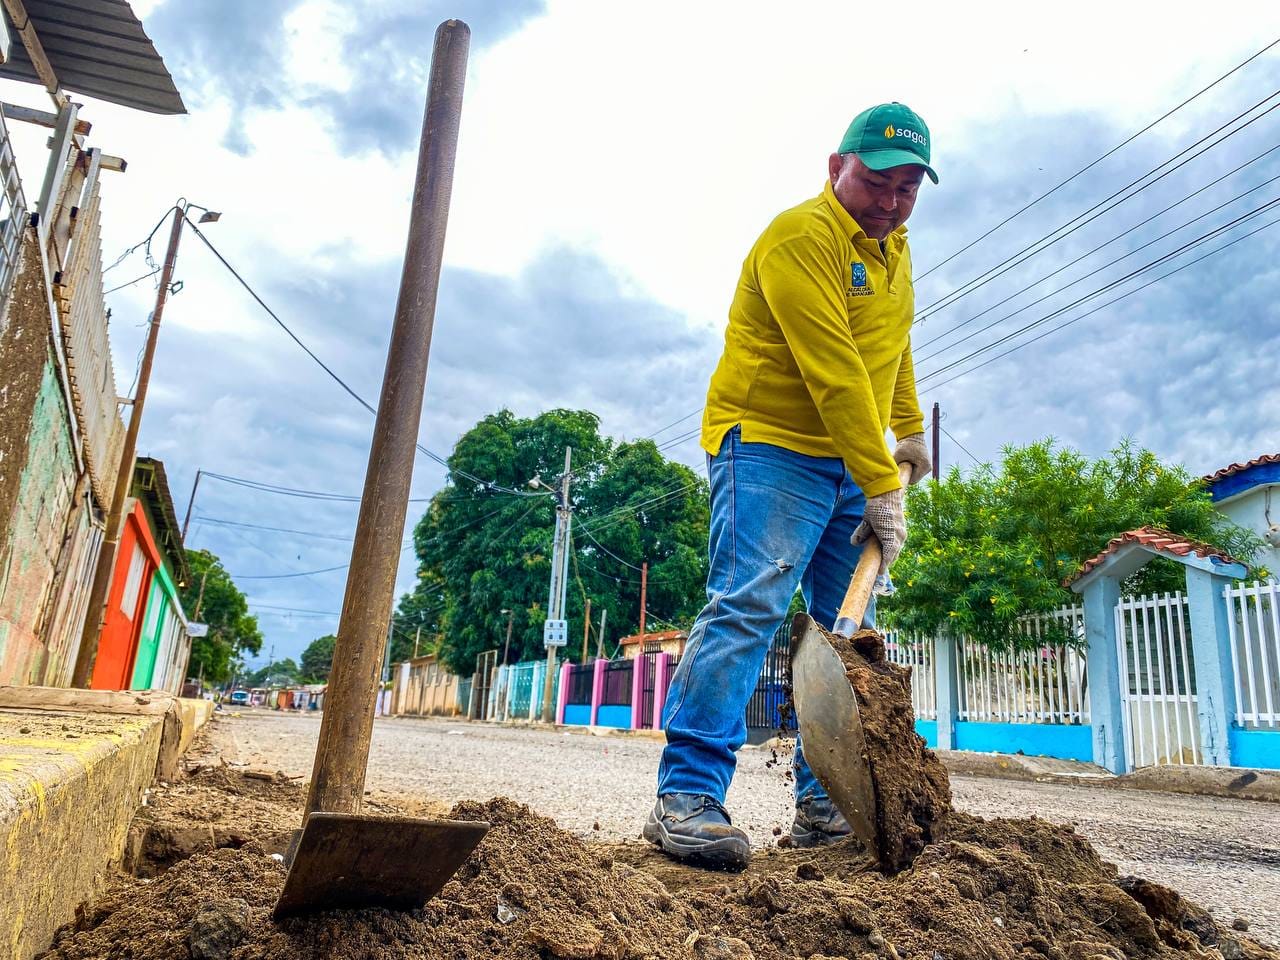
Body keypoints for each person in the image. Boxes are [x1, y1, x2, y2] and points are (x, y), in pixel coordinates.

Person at [643, 103, 938, 869]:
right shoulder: (799, 239)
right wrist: (885, 485)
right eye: (876, 181)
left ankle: (824, 804)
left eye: (907, 187)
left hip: (848, 460)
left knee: (845, 642)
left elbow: (889, 347)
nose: (889, 200)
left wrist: (906, 427)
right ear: (834, 165)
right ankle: (686, 797)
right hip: (769, 446)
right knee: (748, 608)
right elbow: (834, 370)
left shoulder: (894, 247)